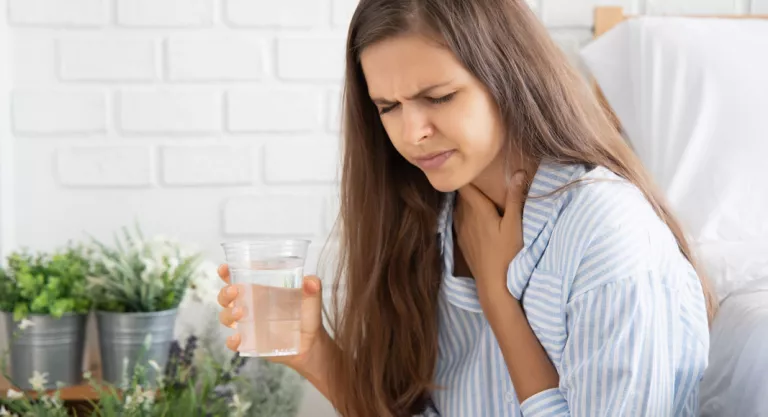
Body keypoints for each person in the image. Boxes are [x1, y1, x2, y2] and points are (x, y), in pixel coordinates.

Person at [217, 0, 717, 416]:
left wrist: (501, 305)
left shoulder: (606, 232)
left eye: (438, 97)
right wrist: (316, 355)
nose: (411, 134)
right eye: (388, 108)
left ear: (508, 75)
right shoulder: (437, 217)